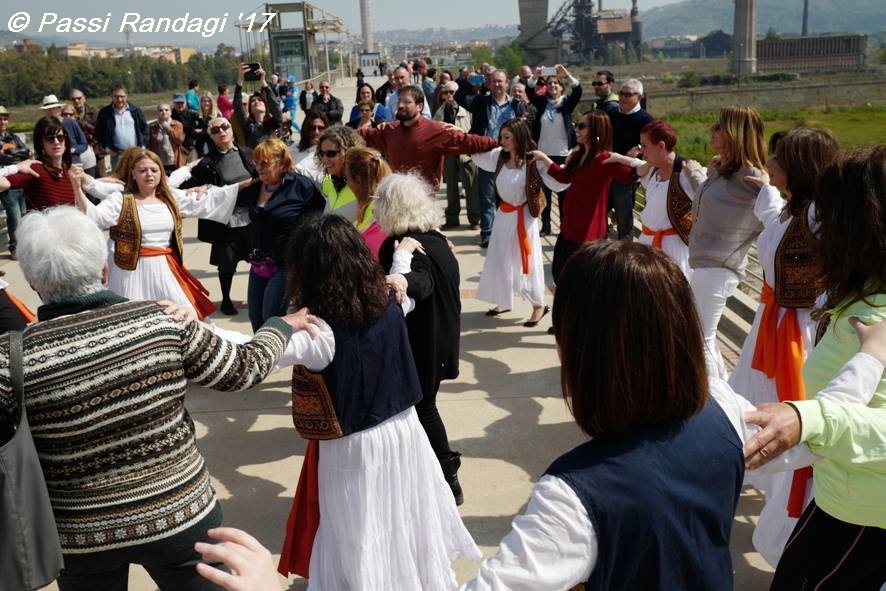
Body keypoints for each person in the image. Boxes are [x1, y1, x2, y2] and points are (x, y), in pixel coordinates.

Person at [9, 205, 311, 591]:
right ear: (104, 269)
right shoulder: (163, 323)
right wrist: (279, 326)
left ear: (33, 282)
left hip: (81, 537)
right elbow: (243, 368)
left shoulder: (13, 357)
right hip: (179, 514)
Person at [276, 214, 481, 587]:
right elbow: (402, 287)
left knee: (358, 534)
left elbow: (251, 354)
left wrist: (197, 328)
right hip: (406, 434)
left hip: (354, 449)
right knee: (403, 519)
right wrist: (401, 261)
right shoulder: (388, 302)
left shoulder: (318, 333)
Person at [759, 145, 886, 589]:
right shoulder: (863, 298)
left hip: (865, 512)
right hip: (842, 495)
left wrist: (809, 418)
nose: (820, 228)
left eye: (829, 215)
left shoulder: (876, 316)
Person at [724, 128, 841, 567]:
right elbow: (768, 208)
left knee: (785, 404)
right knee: (752, 398)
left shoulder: (824, 218)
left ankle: (783, 495)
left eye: (778, 159)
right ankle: (759, 478)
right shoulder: (788, 208)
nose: (770, 165)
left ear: (801, 166)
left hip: (801, 331)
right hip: (769, 323)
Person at [74, 149, 251, 320]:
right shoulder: (120, 200)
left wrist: (250, 183)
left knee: (181, 315)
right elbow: (94, 217)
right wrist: (77, 187)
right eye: (142, 170)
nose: (149, 174)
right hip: (130, 272)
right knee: (135, 320)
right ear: (133, 174)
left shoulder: (171, 197)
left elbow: (210, 198)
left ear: (161, 173)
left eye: (154, 170)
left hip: (165, 268)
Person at [376, 173, 466, 504]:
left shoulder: (401, 246)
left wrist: (402, 279)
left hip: (421, 344)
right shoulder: (437, 239)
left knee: (422, 407)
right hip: (440, 340)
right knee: (421, 407)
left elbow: (422, 281)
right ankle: (438, 474)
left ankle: (448, 477)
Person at [689, 105, 768, 379]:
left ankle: (714, 401)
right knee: (701, 337)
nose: (712, 129)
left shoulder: (751, 177)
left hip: (719, 268)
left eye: (719, 126)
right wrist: (706, 174)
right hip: (704, 265)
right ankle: (724, 393)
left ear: (735, 133)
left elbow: (776, 212)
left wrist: (767, 187)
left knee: (702, 340)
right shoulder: (724, 170)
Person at [474, 119, 567, 327]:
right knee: (501, 258)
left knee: (528, 261)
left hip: (523, 218)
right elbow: (474, 152)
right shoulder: (498, 156)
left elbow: (559, 180)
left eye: (507, 137)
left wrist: (545, 159)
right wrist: (458, 136)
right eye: (501, 136)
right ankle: (504, 300)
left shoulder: (533, 161)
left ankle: (538, 306)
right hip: (503, 215)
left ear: (519, 137)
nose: (502, 141)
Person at [530, 111, 637, 286]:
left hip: (588, 235)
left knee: (579, 283)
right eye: (576, 125)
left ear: (596, 129)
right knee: (560, 275)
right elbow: (563, 176)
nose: (576, 129)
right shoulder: (579, 155)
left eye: (581, 126)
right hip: (568, 228)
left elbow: (637, 174)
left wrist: (622, 158)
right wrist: (543, 157)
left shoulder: (605, 159)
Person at [238, 138, 325, 330]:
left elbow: (318, 221)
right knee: (255, 316)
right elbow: (225, 198)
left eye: (265, 163)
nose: (259, 167)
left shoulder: (302, 187)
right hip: (258, 263)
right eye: (256, 162)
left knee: (272, 319)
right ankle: (262, 359)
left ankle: (277, 358)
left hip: (286, 265)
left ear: (281, 162)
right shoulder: (254, 186)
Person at [604, 120, 706, 279]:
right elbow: (636, 163)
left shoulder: (686, 173)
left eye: (644, 146)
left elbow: (711, 198)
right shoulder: (653, 172)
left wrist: (698, 173)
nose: (642, 151)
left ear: (661, 146)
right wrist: (617, 157)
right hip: (647, 246)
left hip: (674, 254)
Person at [175, 117, 256, 316]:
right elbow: (186, 184)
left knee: (259, 261)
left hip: (252, 216)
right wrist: (201, 188)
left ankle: (255, 296)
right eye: (216, 129)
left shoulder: (248, 153)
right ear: (211, 136)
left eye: (225, 126)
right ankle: (226, 299)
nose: (222, 131)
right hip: (225, 221)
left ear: (231, 130)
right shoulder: (207, 162)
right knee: (226, 263)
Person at [358, 85, 498, 190]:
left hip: (424, 201)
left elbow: (470, 142)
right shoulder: (390, 130)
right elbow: (361, 137)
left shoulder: (435, 130)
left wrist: (499, 143)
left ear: (419, 106)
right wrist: (339, 136)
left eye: (407, 102)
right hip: (397, 197)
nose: (400, 105)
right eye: (399, 101)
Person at [467, 69, 529, 247]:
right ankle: (487, 233)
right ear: (489, 83)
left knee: (508, 195)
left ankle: (507, 232)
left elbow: (528, 125)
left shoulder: (517, 105)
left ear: (507, 83)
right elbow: (460, 97)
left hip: (510, 156)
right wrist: (468, 81)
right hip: (488, 154)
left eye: (500, 81)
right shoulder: (481, 101)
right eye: (493, 81)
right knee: (486, 196)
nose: (497, 85)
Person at [526, 64, 583, 236]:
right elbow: (529, 90)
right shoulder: (542, 102)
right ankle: (546, 225)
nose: (553, 86)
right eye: (550, 83)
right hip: (544, 153)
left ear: (561, 87)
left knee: (564, 192)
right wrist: (535, 76)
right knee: (546, 192)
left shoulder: (566, 103)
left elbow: (578, 90)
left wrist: (566, 73)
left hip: (563, 154)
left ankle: (564, 225)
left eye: (556, 83)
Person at [606, 79, 654, 240]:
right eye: (621, 93)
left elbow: (654, 142)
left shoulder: (646, 119)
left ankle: (624, 250)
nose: (623, 97)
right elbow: (600, 135)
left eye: (628, 94)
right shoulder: (611, 114)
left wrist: (639, 148)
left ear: (639, 97)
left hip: (628, 174)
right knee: (599, 208)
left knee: (623, 214)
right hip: (606, 169)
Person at [0, 116, 77, 212]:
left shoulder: (68, 171)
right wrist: (16, 167)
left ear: (66, 141)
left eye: (60, 137)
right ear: (41, 143)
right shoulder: (36, 170)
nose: (56, 142)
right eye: (50, 138)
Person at [434, 81, 480, 230]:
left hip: (466, 153)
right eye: (445, 92)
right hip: (448, 154)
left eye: (451, 92)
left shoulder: (467, 110)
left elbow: (473, 130)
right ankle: (452, 218)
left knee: (471, 186)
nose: (448, 95)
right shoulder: (439, 112)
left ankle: (474, 219)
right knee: (451, 188)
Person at [342, 147, 392, 258]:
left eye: (346, 178)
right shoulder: (382, 202)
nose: (346, 183)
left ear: (358, 180)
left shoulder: (376, 211)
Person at [314, 125, 365, 221]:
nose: (324, 159)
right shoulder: (328, 181)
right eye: (321, 153)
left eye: (331, 154)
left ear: (349, 152)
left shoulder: (366, 187)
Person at [0, 105, 30, 257]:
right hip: (5, 181)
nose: (2, 121)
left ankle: (22, 245)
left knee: (24, 214)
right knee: (14, 215)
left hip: (18, 179)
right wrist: (13, 153)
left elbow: (25, 151)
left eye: (5, 118)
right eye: (0, 119)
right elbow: (4, 157)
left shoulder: (12, 136)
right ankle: (14, 247)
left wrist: (9, 150)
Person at [95, 84, 149, 168]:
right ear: (112, 97)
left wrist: (143, 145)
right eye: (116, 96)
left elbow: (145, 129)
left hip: (136, 153)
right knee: (119, 180)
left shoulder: (136, 110)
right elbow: (99, 132)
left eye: (122, 96)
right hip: (117, 155)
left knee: (138, 178)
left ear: (126, 96)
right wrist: (107, 148)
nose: (119, 99)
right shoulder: (105, 113)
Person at [234, 64, 283, 148]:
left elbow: (274, 105)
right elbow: (237, 106)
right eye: (253, 101)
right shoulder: (248, 127)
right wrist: (240, 79)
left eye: (260, 100)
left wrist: (263, 81)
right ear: (250, 110)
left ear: (266, 106)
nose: (256, 101)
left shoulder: (274, 122)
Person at [291, 113, 328, 187]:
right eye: (312, 128)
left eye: (320, 128)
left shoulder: (330, 153)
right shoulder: (293, 148)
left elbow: (324, 182)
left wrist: (298, 170)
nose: (316, 132)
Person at [148, 103, 186, 174]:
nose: (164, 112)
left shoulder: (177, 124)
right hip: (159, 162)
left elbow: (180, 140)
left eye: (166, 110)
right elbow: (150, 145)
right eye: (161, 110)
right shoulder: (152, 127)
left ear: (170, 112)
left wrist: (168, 128)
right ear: (158, 113)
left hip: (174, 162)